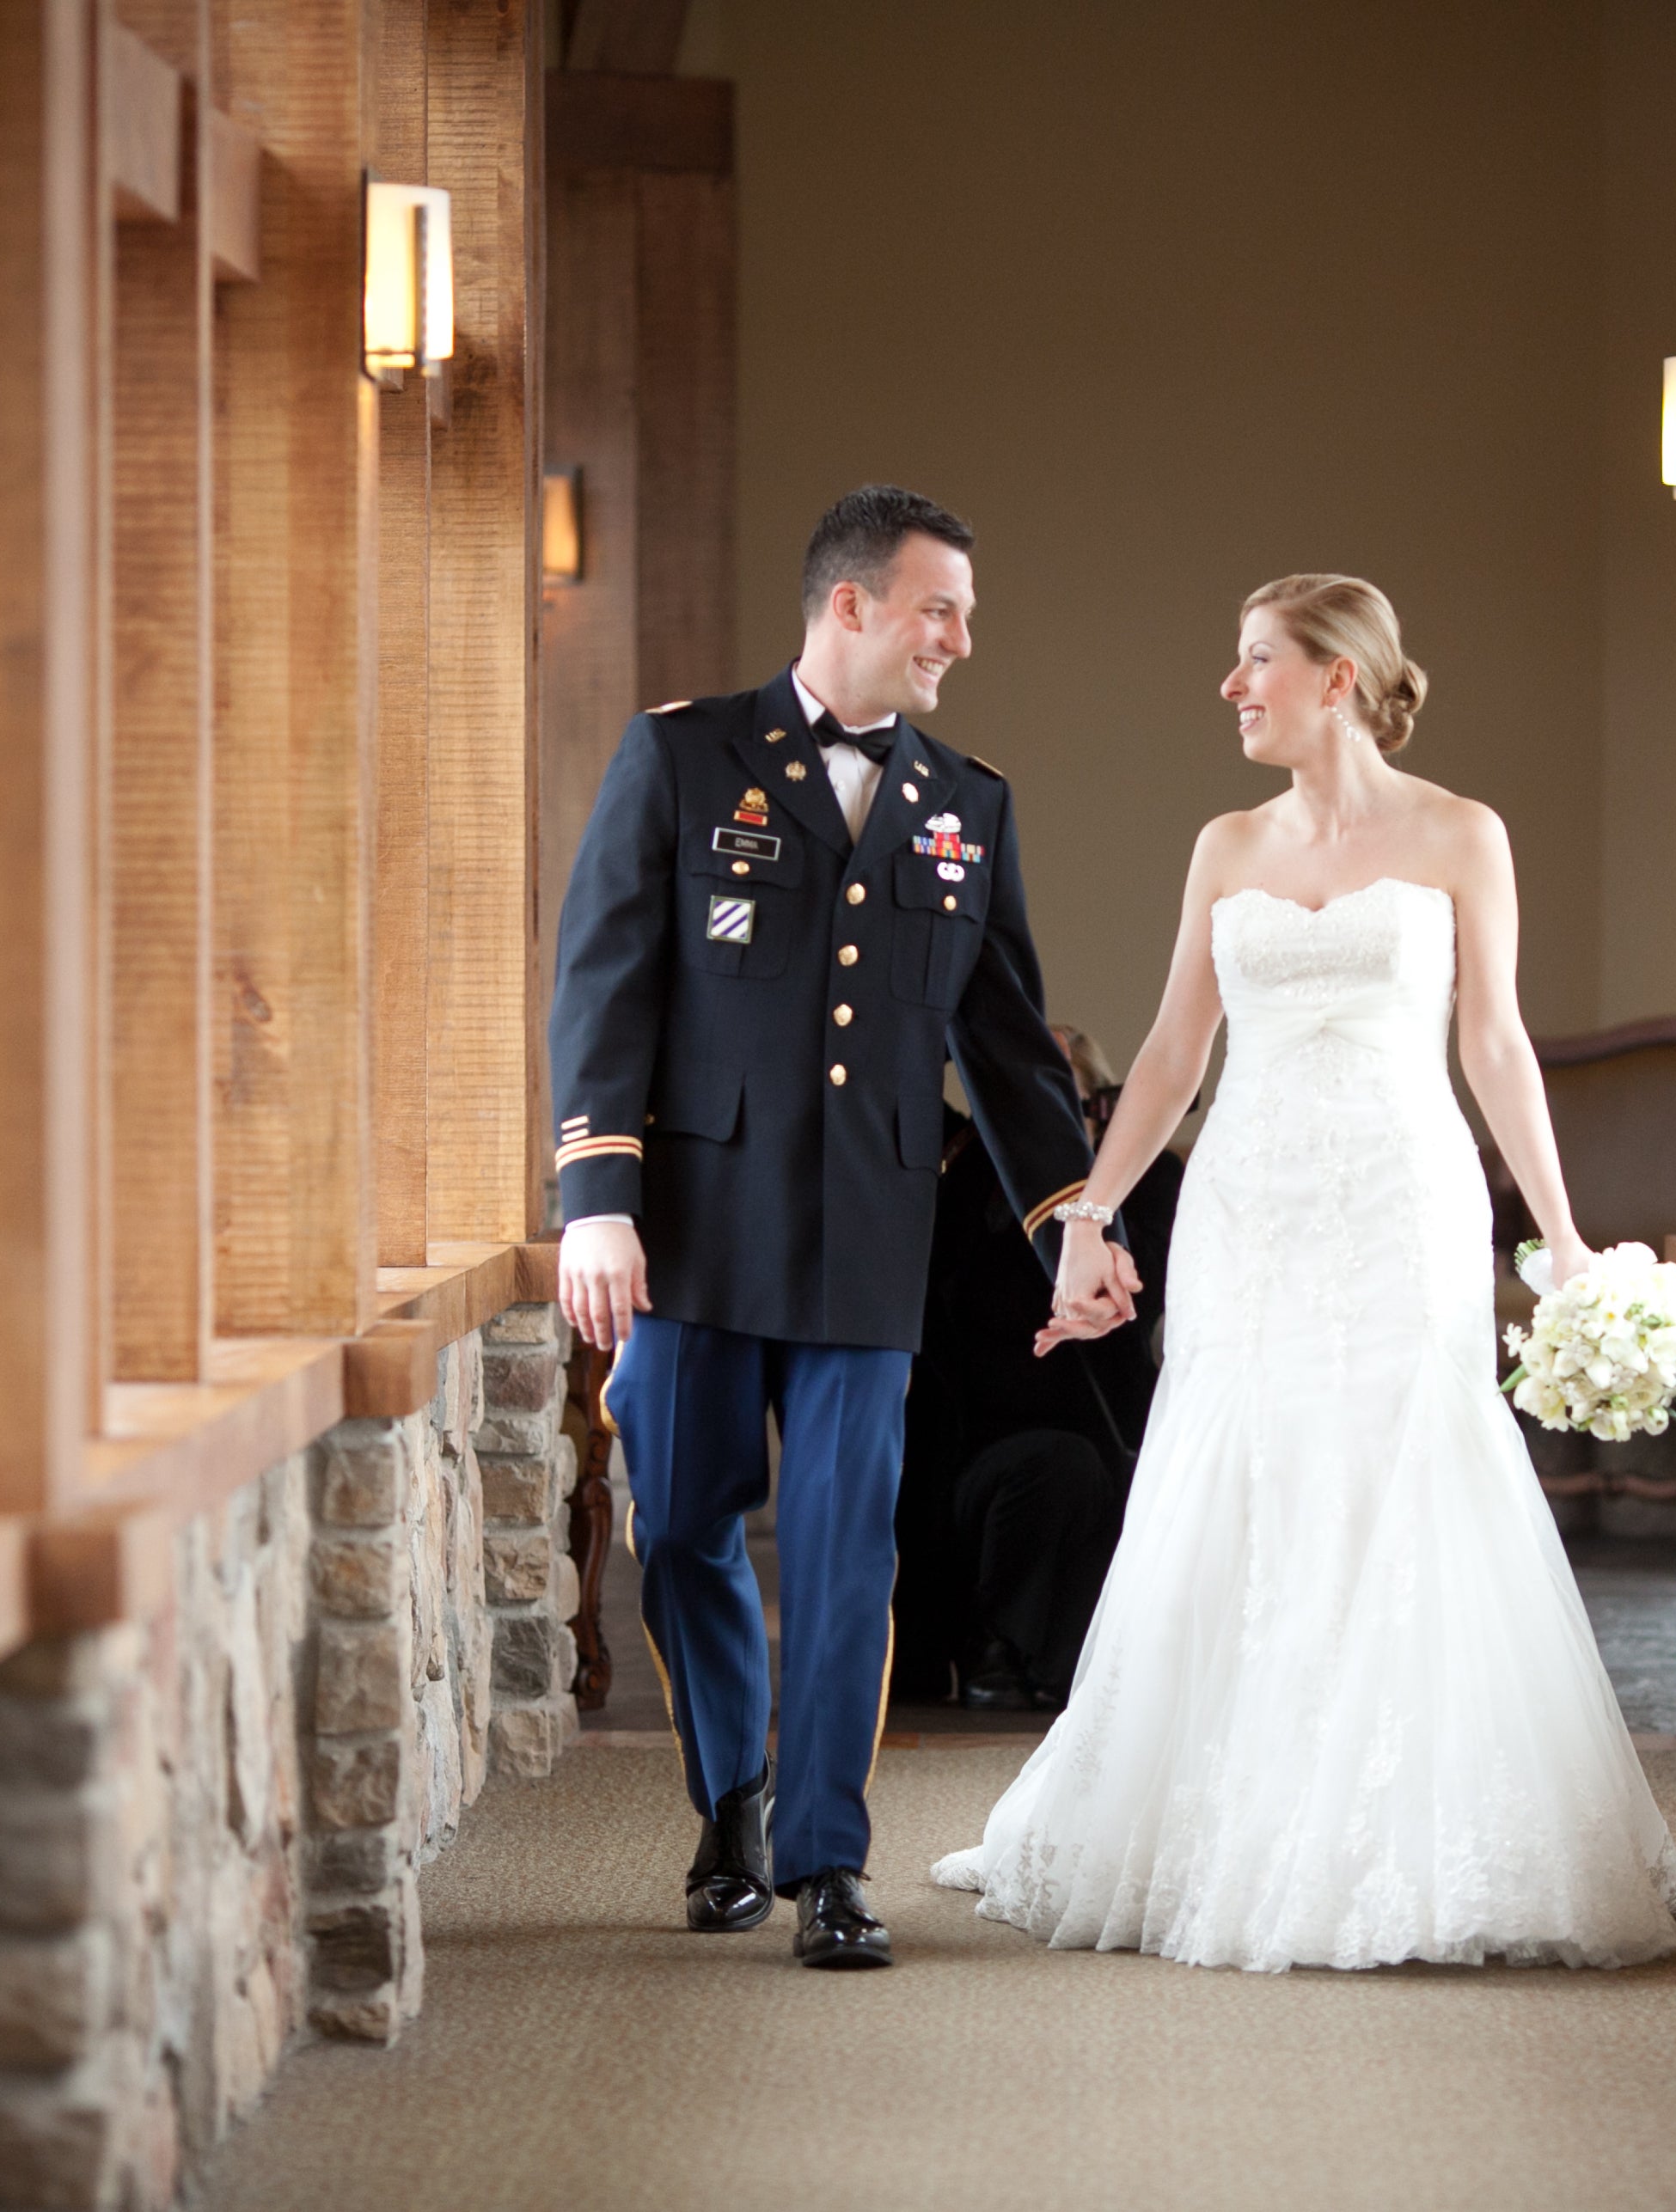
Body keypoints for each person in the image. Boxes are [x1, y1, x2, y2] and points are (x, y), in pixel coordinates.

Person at [934, 574, 1676, 1971]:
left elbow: (1496, 1045)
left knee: (1405, 1475)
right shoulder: (1225, 844)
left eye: (1255, 661)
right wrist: (1091, 1216)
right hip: (1254, 1207)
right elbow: (1169, 1054)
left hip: (1400, 1200)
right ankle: (1230, 1805)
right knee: (1250, 1479)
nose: (1232, 687)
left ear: (1337, 675)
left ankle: (1416, 1813)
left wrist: (1567, 1234)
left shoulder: (1463, 834)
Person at [551, 485, 1136, 1971]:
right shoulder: (683, 755)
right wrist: (597, 1199)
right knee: (681, 1523)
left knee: (842, 1548)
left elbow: (1006, 1047)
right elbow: (605, 988)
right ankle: (732, 1785)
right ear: (851, 606)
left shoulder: (969, 799)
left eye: (966, 615)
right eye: (940, 609)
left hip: (870, 1238)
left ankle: (825, 1853)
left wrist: (1072, 1218)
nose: (959, 639)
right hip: (691, 1230)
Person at [896, 1029, 1184, 1712]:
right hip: (973, 1466)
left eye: (1061, 1106)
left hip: (1112, 1446)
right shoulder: (961, 1191)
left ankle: (1060, 1664)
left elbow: (1144, 1299)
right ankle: (996, 1647)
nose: (1040, 1131)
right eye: (1023, 1106)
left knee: (1103, 1475)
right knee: (1055, 1466)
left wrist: (1090, 1205)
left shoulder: (1142, 1200)